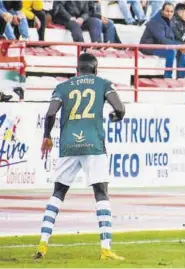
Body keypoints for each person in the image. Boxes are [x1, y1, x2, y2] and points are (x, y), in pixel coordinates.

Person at [32, 53, 126, 261]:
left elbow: (50, 114)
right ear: (95, 69)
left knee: (58, 192)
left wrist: (47, 136)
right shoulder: (102, 84)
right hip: (94, 144)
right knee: (101, 193)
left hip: (69, 144)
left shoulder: (62, 87)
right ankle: (105, 248)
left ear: (77, 69)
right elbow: (119, 108)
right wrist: (115, 116)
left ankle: (43, 243)